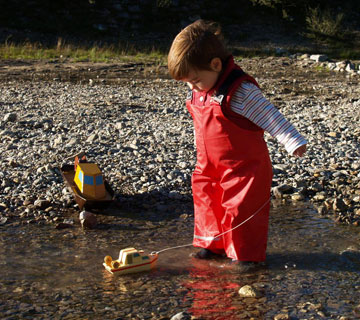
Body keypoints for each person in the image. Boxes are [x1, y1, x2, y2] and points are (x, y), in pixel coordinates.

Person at [167, 20, 307, 268]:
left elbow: (270, 116)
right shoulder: (202, 86)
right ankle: (213, 245)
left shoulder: (240, 92)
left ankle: (245, 256)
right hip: (208, 166)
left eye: (195, 80)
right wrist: (197, 85)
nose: (192, 87)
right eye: (187, 83)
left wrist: (292, 141)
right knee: (207, 201)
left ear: (216, 65)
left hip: (245, 170)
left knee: (241, 210)